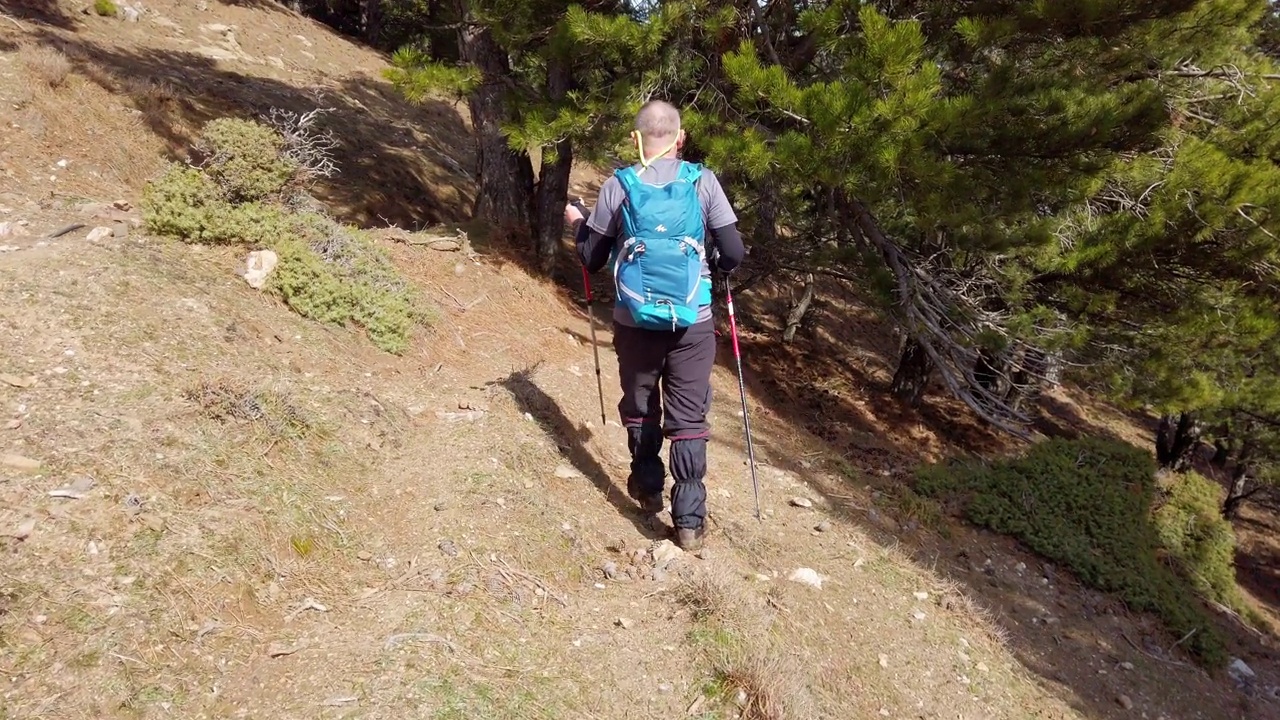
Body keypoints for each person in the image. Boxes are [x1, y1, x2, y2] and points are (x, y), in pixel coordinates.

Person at [564, 99, 745, 551]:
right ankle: (688, 522)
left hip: (634, 320)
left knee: (642, 404)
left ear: (637, 139)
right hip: (693, 322)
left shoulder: (618, 186)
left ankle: (647, 490)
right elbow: (734, 253)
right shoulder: (703, 183)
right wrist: (716, 263)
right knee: (688, 419)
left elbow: (592, 256)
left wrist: (579, 224)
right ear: (680, 138)